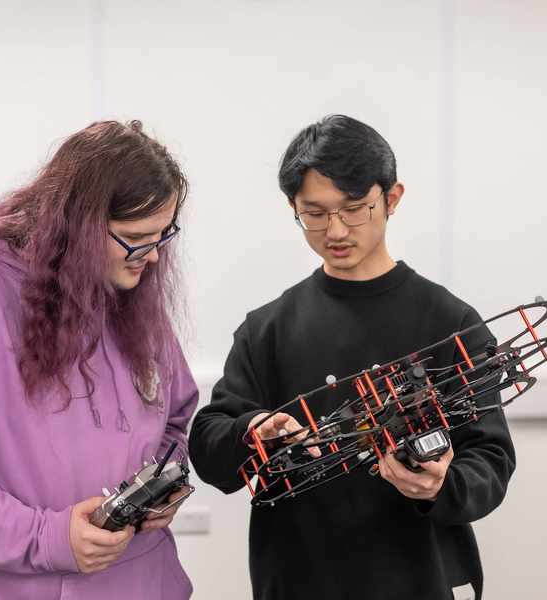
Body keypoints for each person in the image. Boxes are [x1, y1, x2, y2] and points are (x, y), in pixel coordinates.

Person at [189, 115, 515, 600]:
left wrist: (442, 484)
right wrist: (254, 429)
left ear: (392, 198)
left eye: (355, 209)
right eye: (314, 213)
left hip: (415, 580)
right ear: (293, 207)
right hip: (296, 580)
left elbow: (490, 457)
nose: (335, 231)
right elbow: (211, 448)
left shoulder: (451, 322)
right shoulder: (268, 329)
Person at [0, 120, 198, 600]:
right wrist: (47, 538)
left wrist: (158, 490)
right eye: (135, 237)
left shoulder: (133, 299)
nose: (150, 257)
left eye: (161, 236)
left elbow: (175, 421)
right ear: (77, 227)